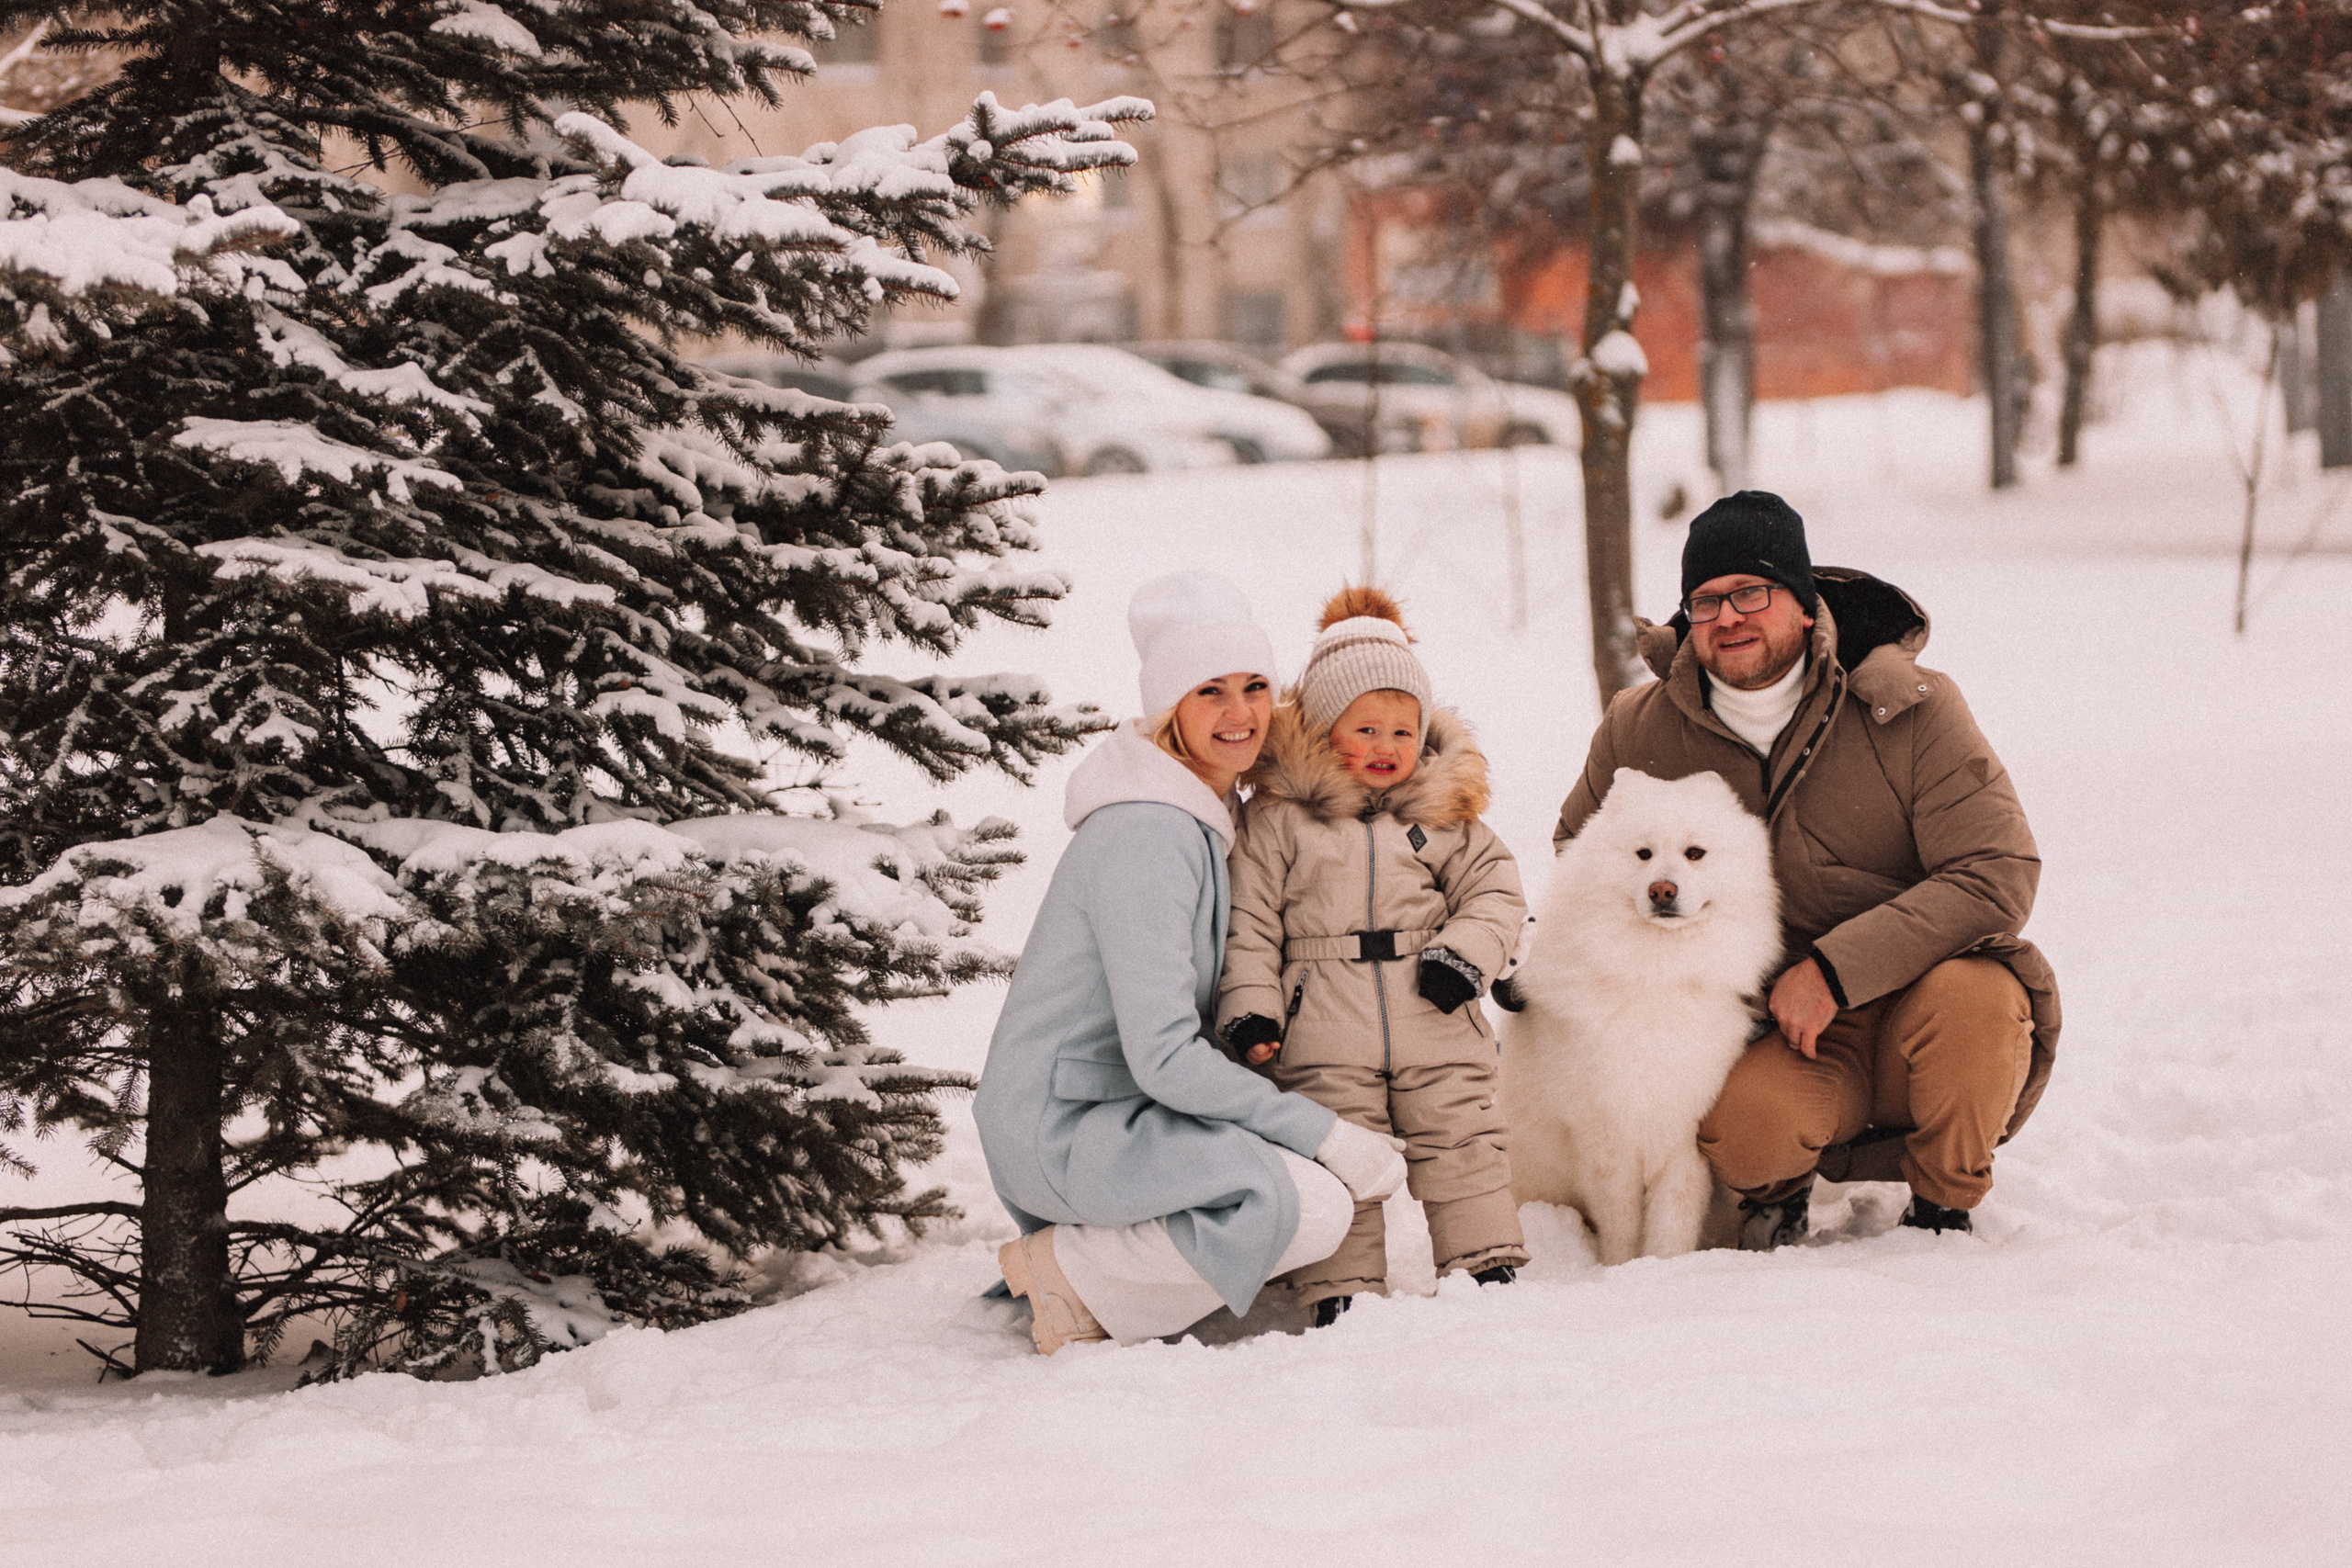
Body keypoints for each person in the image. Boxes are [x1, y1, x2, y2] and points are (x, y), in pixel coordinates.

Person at [1550, 491, 2058, 1246]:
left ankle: (1943, 1206)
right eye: (1706, 600)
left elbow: (1997, 870)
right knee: (1748, 1132)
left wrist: (1832, 970)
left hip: (1926, 991)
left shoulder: (1909, 707)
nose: (1728, 617)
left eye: (1752, 592)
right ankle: (1774, 1192)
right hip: (1779, 1031)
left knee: (1980, 1003)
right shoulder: (1640, 725)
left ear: (1805, 602)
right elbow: (1579, 854)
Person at [974, 571, 1409, 1355]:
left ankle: (1118, 1264)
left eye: (1254, 687)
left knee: (1300, 1191)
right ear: (1169, 706)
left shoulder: (1207, 813)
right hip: (1064, 1123)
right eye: (1209, 691)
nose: (1241, 714)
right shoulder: (1149, 832)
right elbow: (1164, 1053)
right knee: (1311, 1203)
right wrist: (1323, 1133)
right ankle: (1068, 1275)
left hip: (1121, 1110)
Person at [1218, 588, 1530, 1324]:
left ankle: (1487, 1262)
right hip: (1322, 1024)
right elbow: (1250, 925)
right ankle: (1341, 1288)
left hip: (1437, 1008)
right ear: (1325, 729)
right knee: (1334, 1145)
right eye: (1367, 728)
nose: (1388, 747)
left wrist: (1465, 956)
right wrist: (1252, 1006)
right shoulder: (1279, 821)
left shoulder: (1444, 815)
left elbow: (1497, 893)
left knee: (1461, 1134)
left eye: (1403, 730)